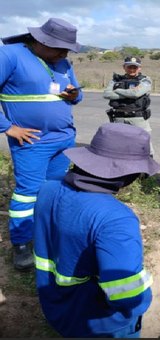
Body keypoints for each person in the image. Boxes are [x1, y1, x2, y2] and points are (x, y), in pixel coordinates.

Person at [33, 122, 160, 338]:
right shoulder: (116, 219)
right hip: (102, 325)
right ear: (129, 175)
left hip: (58, 309)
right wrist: (144, 297)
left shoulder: (48, 188)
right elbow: (128, 297)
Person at [0, 18, 83, 270]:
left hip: (64, 140)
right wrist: (8, 127)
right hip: (32, 142)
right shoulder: (9, 55)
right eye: (59, 48)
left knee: (54, 189)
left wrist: (74, 94)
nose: (64, 53)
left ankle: (47, 233)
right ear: (40, 41)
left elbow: (77, 94)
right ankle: (22, 244)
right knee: (28, 193)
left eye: (67, 49)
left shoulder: (62, 61)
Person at [103, 56, 154, 156]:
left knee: (144, 145)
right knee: (119, 145)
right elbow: (107, 94)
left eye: (135, 67)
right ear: (124, 67)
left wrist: (117, 91)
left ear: (139, 68)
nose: (132, 69)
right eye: (129, 67)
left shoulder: (145, 80)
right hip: (119, 118)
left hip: (138, 118)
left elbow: (136, 94)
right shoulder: (115, 80)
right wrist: (129, 93)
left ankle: (147, 169)